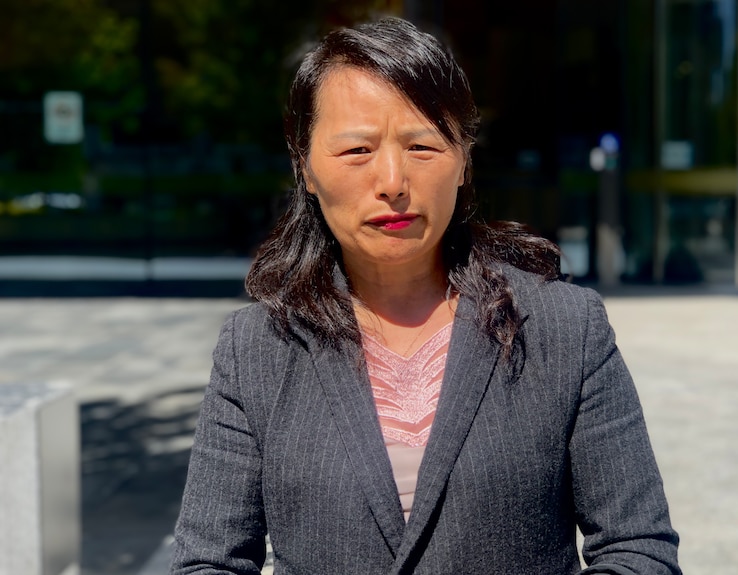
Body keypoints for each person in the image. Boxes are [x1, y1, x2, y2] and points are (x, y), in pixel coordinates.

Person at [171, 16, 681, 575]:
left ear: (463, 158)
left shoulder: (564, 327)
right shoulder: (257, 349)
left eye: (422, 145)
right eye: (357, 150)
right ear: (306, 168)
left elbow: (638, 551)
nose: (393, 180)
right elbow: (208, 562)